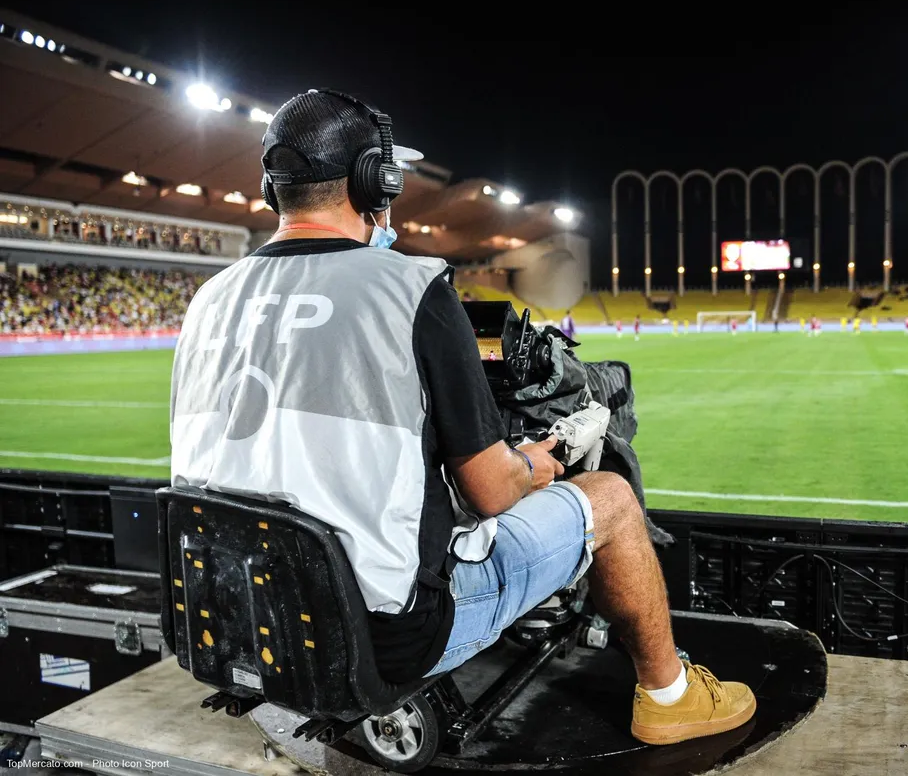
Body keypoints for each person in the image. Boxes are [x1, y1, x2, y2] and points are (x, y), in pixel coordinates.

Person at [168, 90, 754, 746]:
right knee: (611, 498)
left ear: (272, 186)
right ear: (375, 180)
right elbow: (491, 490)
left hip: (239, 622)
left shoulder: (207, 302)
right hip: (381, 638)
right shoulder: (410, 287)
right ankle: (671, 695)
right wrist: (536, 458)